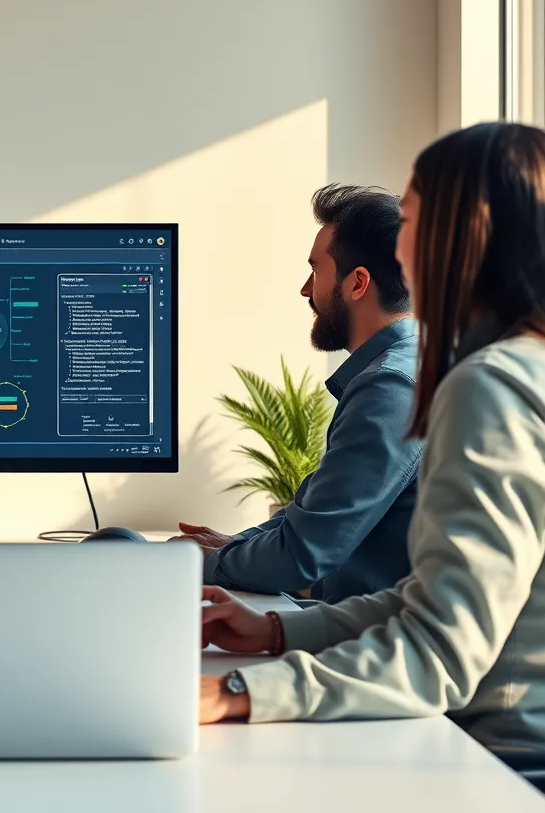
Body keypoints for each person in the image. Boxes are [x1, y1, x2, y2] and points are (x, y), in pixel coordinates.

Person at [196, 121, 545, 759]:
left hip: (499, 760)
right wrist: (278, 630)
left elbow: (441, 649)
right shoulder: (518, 367)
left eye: (409, 219)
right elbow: (430, 599)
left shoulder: (487, 386)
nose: (399, 248)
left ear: (459, 238)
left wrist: (242, 692)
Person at [173, 185, 422, 603]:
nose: (306, 290)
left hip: (370, 651)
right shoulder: (404, 366)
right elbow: (310, 514)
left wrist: (189, 565)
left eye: (316, 270)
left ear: (357, 283)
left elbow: (303, 555)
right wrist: (232, 547)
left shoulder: (390, 388)